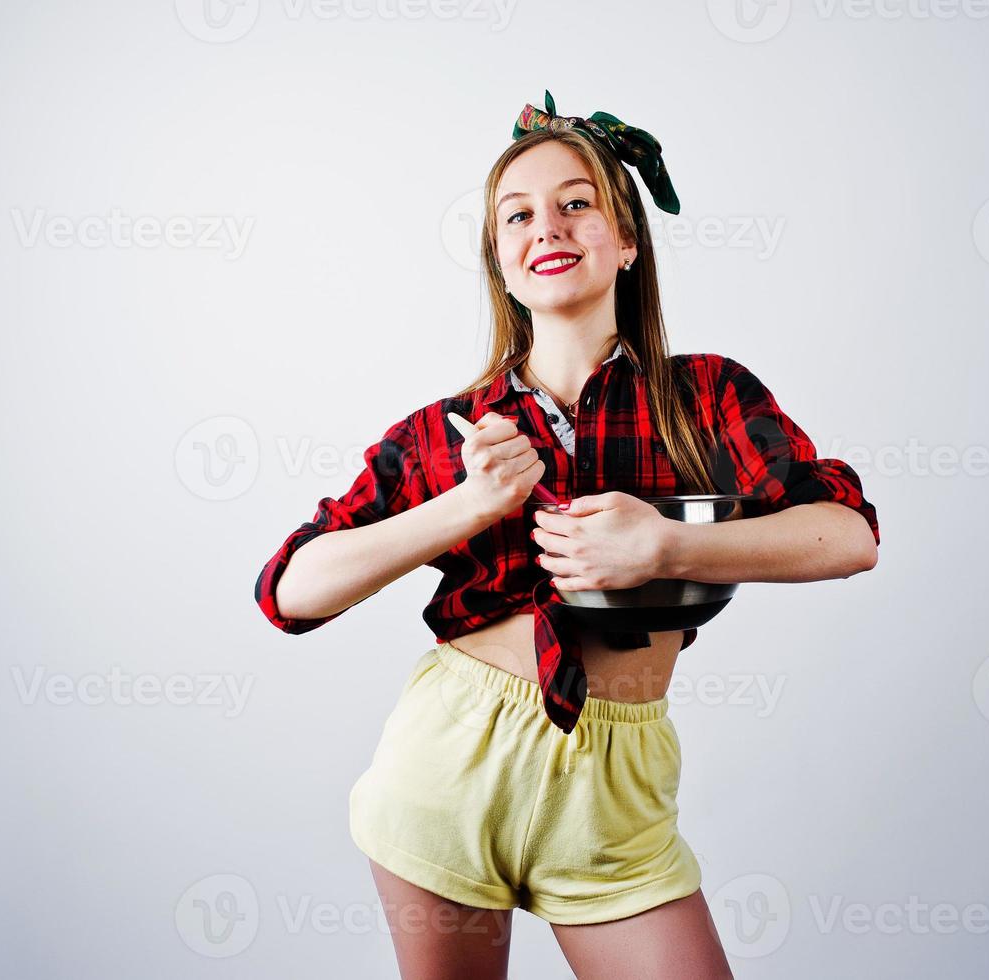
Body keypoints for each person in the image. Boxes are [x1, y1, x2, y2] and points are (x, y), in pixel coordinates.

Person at [254, 90, 880, 979]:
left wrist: (666, 545)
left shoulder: (705, 397)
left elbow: (847, 535)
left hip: (614, 789)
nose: (546, 226)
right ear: (502, 263)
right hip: (447, 771)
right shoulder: (450, 431)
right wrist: (463, 507)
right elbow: (288, 591)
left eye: (575, 203)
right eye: (518, 216)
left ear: (625, 240)